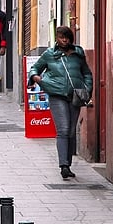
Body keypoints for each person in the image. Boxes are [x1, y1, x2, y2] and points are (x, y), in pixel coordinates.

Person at [27, 26, 94, 179]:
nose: (64, 40)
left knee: (70, 131)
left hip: (75, 96)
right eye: (61, 37)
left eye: (67, 37)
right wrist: (37, 78)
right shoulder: (50, 54)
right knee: (63, 129)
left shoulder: (78, 53)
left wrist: (87, 89)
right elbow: (35, 68)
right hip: (57, 95)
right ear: (56, 38)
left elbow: (87, 73)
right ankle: (63, 166)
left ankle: (68, 165)